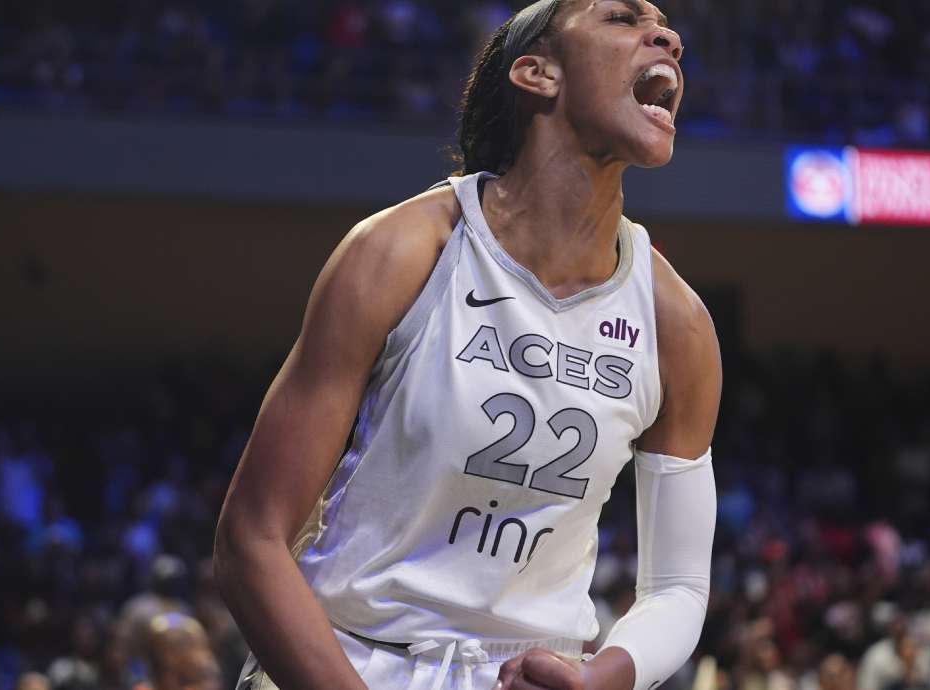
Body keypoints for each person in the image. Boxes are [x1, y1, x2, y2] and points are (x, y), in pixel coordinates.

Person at [213, 1, 721, 689]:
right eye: (620, 18)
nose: (666, 35)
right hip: (344, 662)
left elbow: (679, 588)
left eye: (663, 23)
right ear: (537, 72)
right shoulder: (400, 251)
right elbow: (252, 539)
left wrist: (606, 676)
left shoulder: (678, 323)